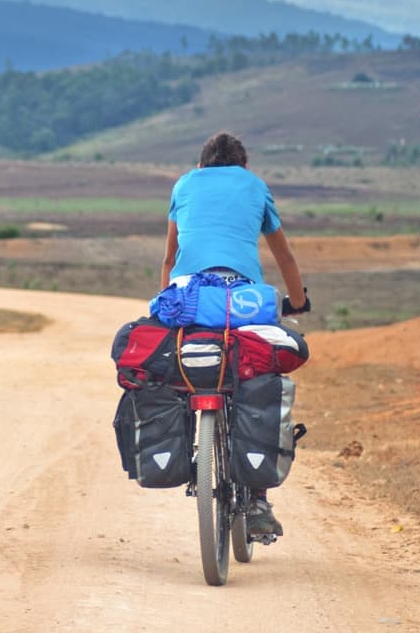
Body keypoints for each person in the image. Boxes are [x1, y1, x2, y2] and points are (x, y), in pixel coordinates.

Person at [160, 132, 311, 537]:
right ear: (243, 167)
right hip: (243, 300)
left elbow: (171, 257)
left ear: (200, 165)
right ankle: (258, 499)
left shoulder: (184, 184)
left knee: (176, 360)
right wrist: (297, 300)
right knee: (259, 371)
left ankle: (185, 442)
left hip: (187, 296)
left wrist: (166, 303)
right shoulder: (255, 186)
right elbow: (285, 256)